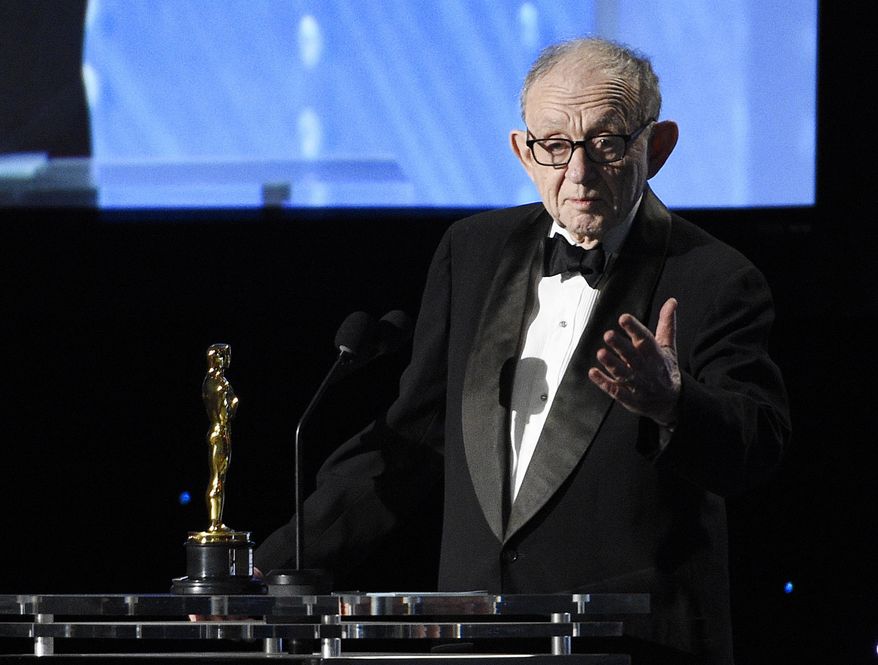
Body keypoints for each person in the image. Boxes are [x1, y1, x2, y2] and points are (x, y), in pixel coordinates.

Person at [256, 37, 790, 665]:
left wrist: (676, 404)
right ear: (523, 150)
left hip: (630, 646)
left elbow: (759, 447)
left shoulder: (714, 278)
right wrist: (269, 572)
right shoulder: (472, 252)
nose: (579, 173)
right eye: (555, 147)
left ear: (658, 145)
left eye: (608, 143)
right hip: (474, 641)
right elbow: (413, 442)